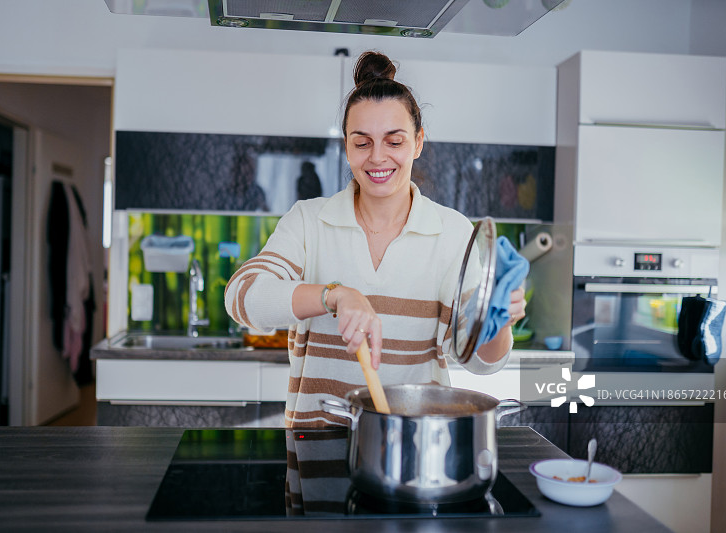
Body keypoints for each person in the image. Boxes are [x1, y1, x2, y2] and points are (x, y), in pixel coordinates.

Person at [225, 51, 526, 428]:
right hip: (316, 449)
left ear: (418, 142)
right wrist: (334, 295)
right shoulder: (309, 221)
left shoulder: (453, 233)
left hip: (414, 448)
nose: (378, 158)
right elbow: (242, 298)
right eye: (362, 143)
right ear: (346, 146)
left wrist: (498, 318)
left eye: (394, 142)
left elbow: (481, 362)